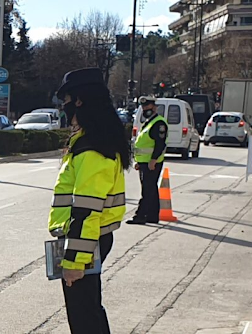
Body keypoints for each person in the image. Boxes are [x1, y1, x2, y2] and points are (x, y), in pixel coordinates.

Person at [48, 68, 130, 334]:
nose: (65, 108)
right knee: (88, 311)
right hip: (85, 239)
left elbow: (86, 210)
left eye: (67, 101)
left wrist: (74, 262)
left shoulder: (93, 149)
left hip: (85, 241)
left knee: (84, 316)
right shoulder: (93, 141)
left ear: (80, 102)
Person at [126, 96, 168, 225]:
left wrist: (153, 160)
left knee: (147, 190)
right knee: (151, 189)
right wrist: (139, 161)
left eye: (148, 106)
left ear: (154, 107)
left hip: (152, 162)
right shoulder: (149, 122)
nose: (145, 109)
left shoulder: (158, 123)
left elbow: (159, 144)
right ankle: (152, 216)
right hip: (145, 162)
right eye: (143, 107)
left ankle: (140, 216)